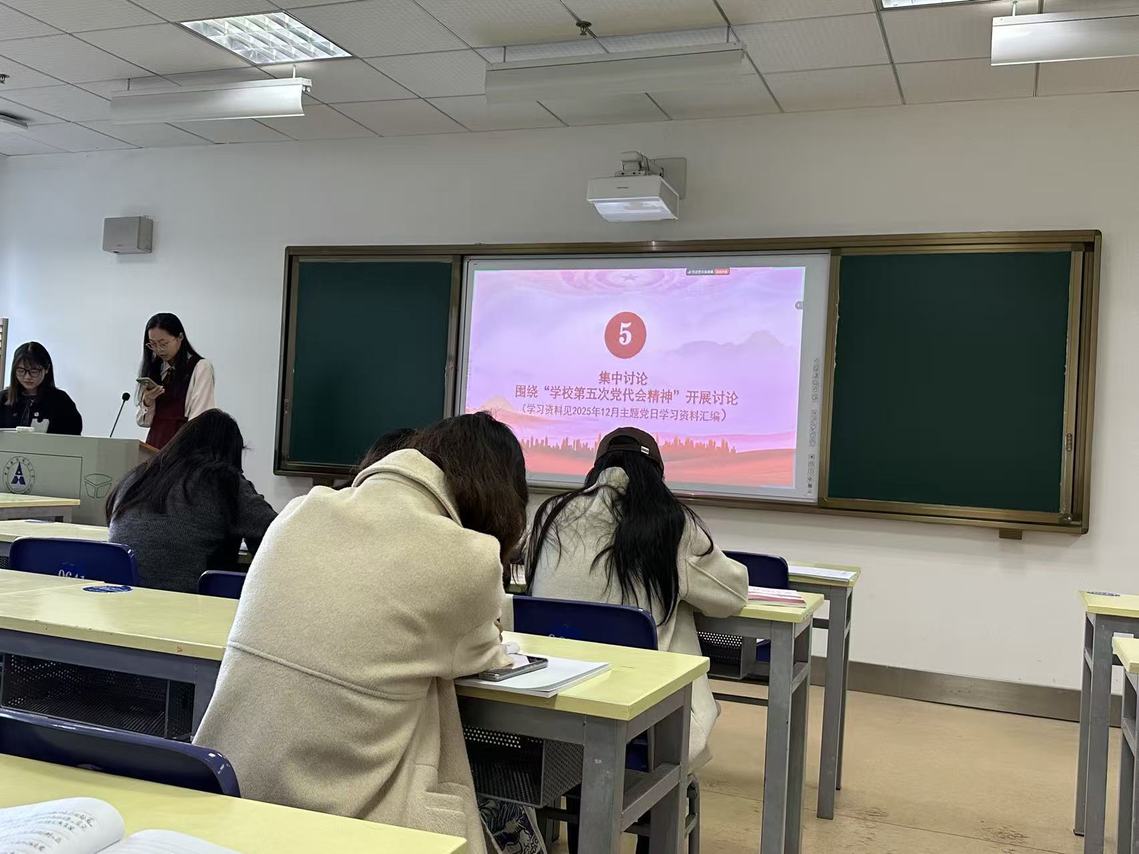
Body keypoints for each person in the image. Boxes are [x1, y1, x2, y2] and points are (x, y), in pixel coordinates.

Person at [194, 413, 529, 854]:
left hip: (231, 792)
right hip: (343, 819)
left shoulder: (301, 510)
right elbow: (485, 650)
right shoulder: (467, 555)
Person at [525, 426, 748, 770]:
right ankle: (668, 787)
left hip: (547, 705)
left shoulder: (552, 513)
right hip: (636, 714)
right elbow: (732, 594)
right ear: (658, 476)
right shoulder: (672, 524)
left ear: (595, 469)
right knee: (675, 612)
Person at [106, 409, 276, 594]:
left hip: (120, 600)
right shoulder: (223, 481)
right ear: (231, 452)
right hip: (189, 603)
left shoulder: (138, 476)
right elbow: (277, 533)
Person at [135, 312, 215, 449]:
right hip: (154, 444)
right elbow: (144, 422)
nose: (159, 349)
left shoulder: (200, 367)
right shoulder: (155, 368)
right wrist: (147, 401)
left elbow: (200, 417)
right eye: (153, 344)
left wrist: (183, 451)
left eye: (163, 343)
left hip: (183, 445)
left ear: (180, 337)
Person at [0, 342, 82, 435]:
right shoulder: (3, 399)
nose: (27, 377)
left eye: (34, 371)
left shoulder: (61, 401)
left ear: (46, 369)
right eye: (21, 371)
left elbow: (73, 436)